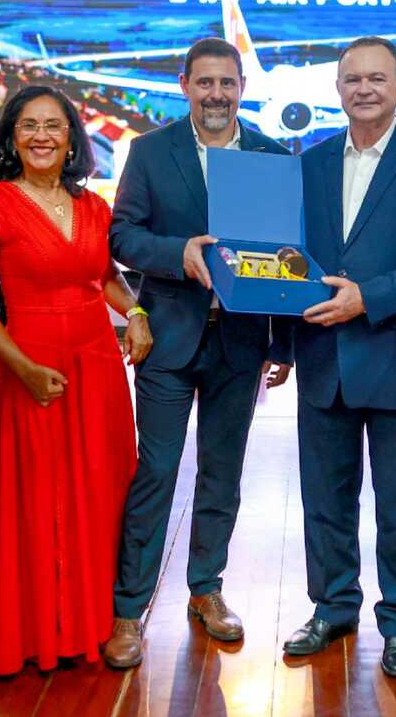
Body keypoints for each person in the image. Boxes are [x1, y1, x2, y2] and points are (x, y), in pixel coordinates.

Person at [102, 38, 293, 668]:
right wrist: (176, 253)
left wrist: (284, 342)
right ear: (185, 85)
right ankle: (128, 609)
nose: (216, 94)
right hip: (168, 337)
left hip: (241, 342)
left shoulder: (271, 157)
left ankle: (206, 589)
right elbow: (123, 235)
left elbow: (288, 253)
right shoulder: (150, 151)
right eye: (205, 82)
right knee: (156, 471)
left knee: (222, 471)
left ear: (242, 88)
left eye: (227, 83)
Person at [280, 37, 396, 678]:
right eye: (352, 79)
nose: (364, 88)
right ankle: (333, 606)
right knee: (325, 496)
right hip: (321, 355)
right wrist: (279, 345)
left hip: (395, 352)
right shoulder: (308, 163)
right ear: (337, 88)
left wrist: (370, 298)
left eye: (377, 78)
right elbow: (286, 257)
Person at [0, 85, 150, 676]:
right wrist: (23, 369)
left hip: (97, 367)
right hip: (33, 365)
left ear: (71, 139)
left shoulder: (93, 208)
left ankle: (93, 625)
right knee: (38, 499)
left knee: (100, 492)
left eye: (54, 126)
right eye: (29, 125)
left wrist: (137, 312)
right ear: (12, 137)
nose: (41, 136)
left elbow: (104, 278)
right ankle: (39, 630)